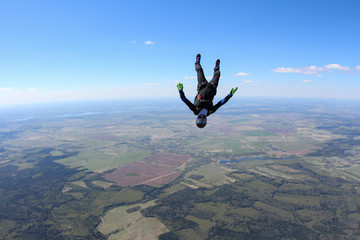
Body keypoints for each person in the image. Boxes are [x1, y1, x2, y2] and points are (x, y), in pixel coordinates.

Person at [177, 54, 238, 128]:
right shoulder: (210, 111)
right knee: (217, 74)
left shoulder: (195, 109)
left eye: (200, 121)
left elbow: (184, 99)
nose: (202, 119)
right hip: (212, 88)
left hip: (202, 86)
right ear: (206, 121)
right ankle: (216, 67)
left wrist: (180, 90)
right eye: (203, 121)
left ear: (197, 119)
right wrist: (230, 95)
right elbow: (221, 103)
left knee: (199, 70)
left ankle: (197, 62)